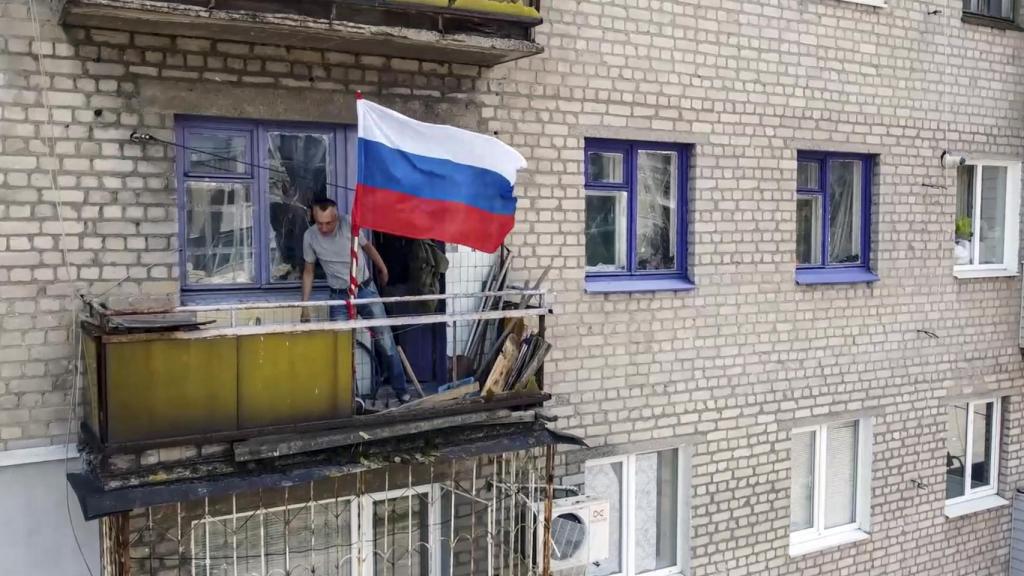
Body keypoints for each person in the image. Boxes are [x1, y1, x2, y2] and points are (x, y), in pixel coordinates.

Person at [300, 198, 410, 403]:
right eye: (319, 223)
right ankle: (349, 398)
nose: (324, 228)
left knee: (385, 342)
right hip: (339, 296)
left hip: (364, 289)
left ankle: (401, 390)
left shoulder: (350, 224)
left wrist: (383, 268)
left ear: (337, 217)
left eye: (329, 223)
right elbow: (308, 272)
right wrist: (305, 306)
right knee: (340, 349)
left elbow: (368, 249)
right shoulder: (310, 237)